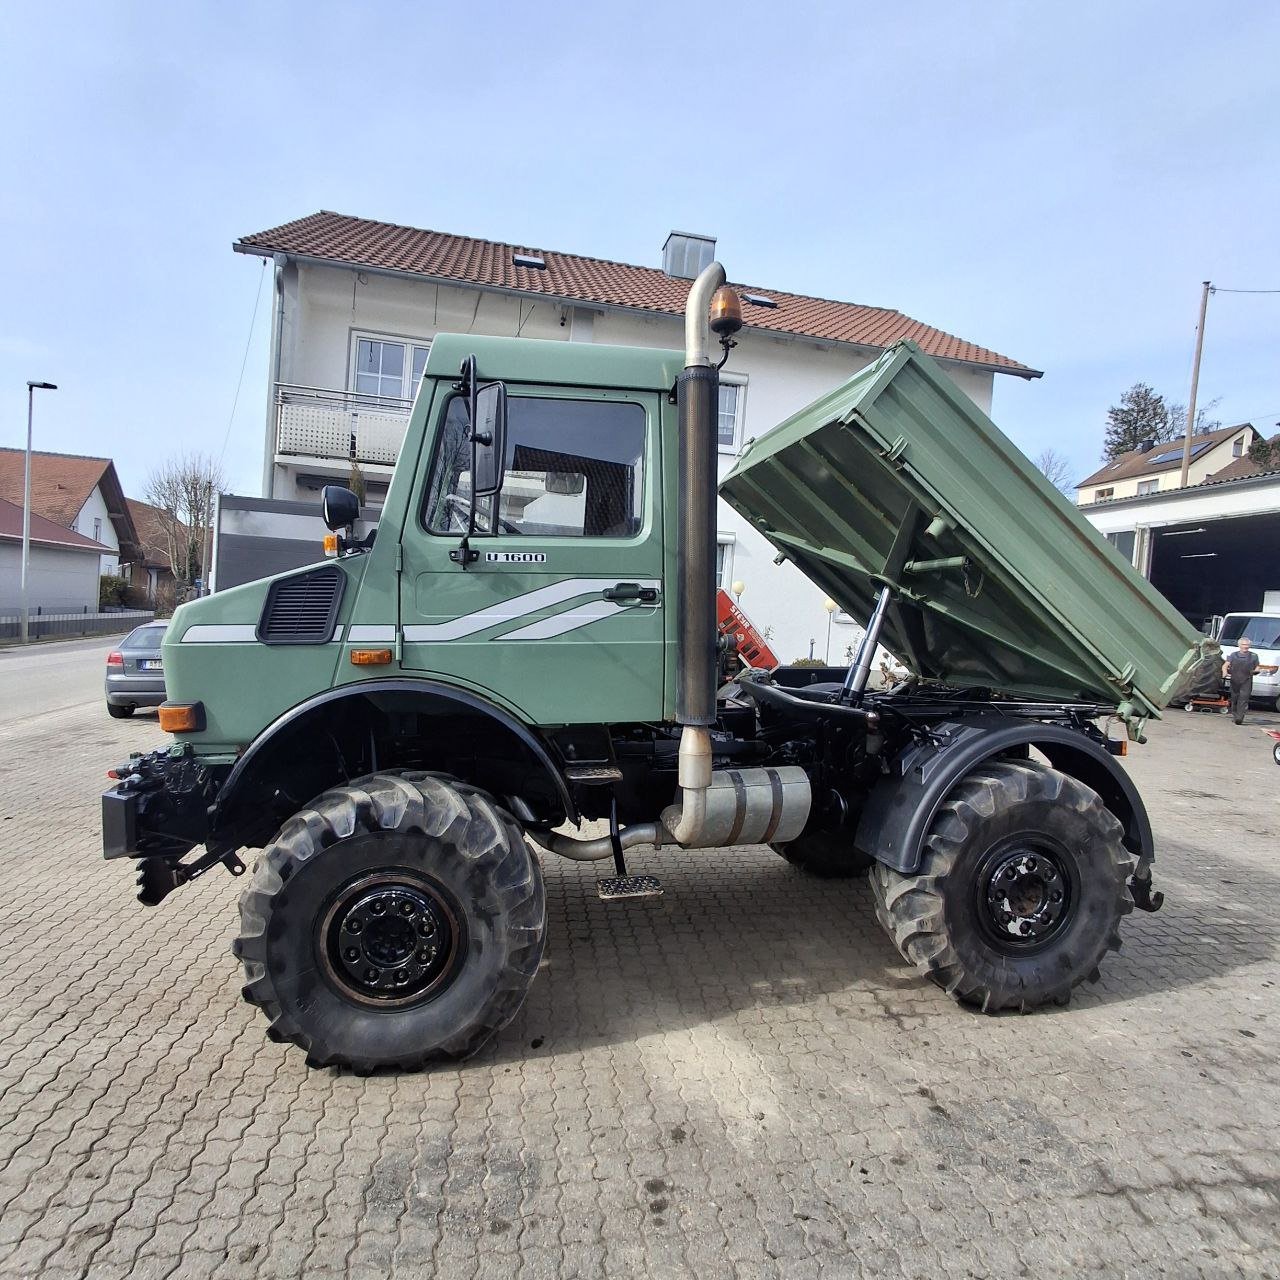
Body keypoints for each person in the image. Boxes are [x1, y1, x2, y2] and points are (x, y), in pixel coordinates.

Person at [1223, 636, 1260, 724]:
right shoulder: (1233, 655)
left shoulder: (1254, 656)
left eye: (1247, 645)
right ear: (1239, 645)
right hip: (1235, 680)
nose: (1245, 646)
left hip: (1247, 680)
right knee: (1234, 698)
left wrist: (1257, 671)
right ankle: (1235, 715)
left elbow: (1257, 666)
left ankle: (1240, 718)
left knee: (1244, 698)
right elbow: (1225, 665)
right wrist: (1224, 672)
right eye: (1243, 644)